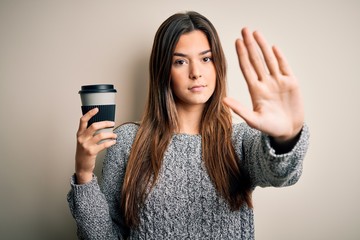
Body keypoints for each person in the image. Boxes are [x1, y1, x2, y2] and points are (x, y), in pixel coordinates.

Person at [67, 11, 309, 239]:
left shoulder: (241, 140)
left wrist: (286, 137)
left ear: (218, 65)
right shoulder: (128, 142)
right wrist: (84, 173)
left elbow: (280, 174)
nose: (196, 72)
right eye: (180, 62)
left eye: (206, 58)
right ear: (163, 71)